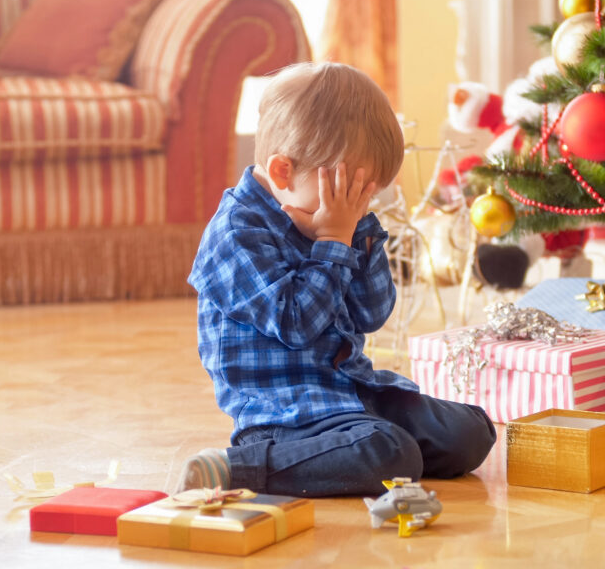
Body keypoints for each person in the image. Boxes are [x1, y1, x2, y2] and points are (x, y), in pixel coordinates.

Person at [183, 62, 496, 497]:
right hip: (286, 417)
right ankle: (235, 469)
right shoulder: (236, 233)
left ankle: (358, 442)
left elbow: (371, 314)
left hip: (351, 391)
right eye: (348, 190)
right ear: (282, 173)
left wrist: (357, 236)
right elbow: (295, 324)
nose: (358, 206)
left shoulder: (340, 216)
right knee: (391, 454)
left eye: (367, 195)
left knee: (472, 432)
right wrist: (332, 241)